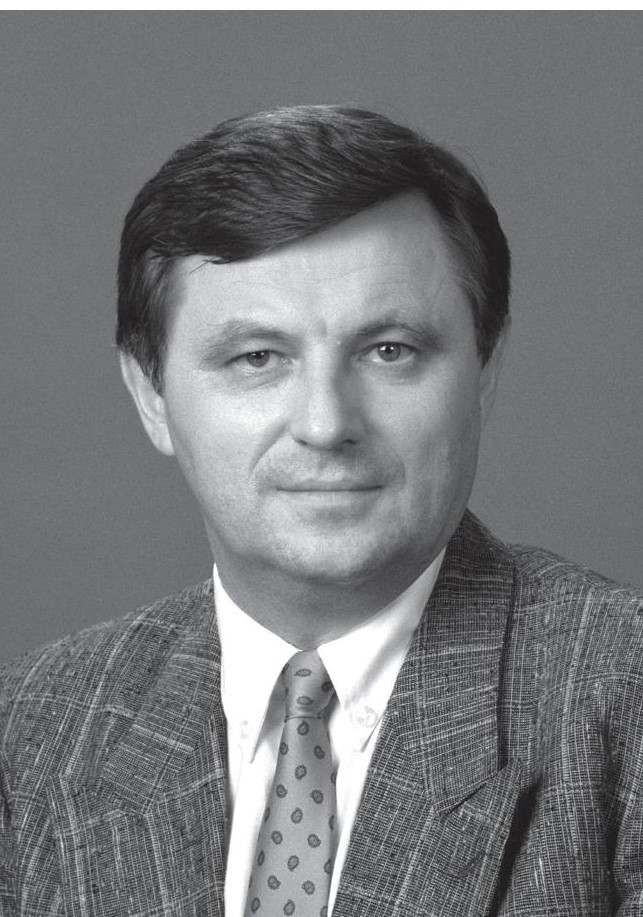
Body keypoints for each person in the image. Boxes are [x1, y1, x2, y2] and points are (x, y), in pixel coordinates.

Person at [1, 105, 642, 917]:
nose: (325, 423)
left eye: (388, 350)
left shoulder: (621, 699)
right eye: (256, 357)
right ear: (150, 394)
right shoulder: (29, 731)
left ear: (483, 370)